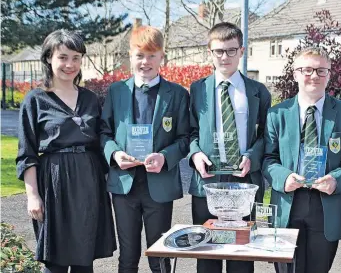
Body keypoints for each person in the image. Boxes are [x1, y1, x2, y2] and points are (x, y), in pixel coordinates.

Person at [15, 30, 116, 273]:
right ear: (49, 58)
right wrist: (33, 196)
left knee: (84, 259)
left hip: (88, 184)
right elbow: (26, 153)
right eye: (63, 57)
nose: (70, 64)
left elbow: (102, 140)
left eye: (76, 57)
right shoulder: (35, 100)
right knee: (55, 261)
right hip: (53, 185)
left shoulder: (91, 98)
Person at [100, 25, 190, 273]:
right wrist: (115, 154)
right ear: (130, 56)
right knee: (127, 257)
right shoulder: (116, 91)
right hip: (125, 185)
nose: (145, 62)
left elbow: (184, 138)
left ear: (162, 56)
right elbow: (103, 133)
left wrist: (165, 156)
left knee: (159, 255)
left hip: (159, 185)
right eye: (140, 55)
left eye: (152, 55)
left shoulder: (178, 94)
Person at [262, 47, 341, 273]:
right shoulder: (277, 114)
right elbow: (268, 158)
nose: (314, 75)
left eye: (320, 70)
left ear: (329, 73)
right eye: (306, 70)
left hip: (325, 208)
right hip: (288, 204)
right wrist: (284, 177)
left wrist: (336, 180)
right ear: (295, 74)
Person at [188, 22, 271, 273]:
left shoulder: (257, 91)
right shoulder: (197, 90)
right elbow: (189, 132)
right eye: (218, 51)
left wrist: (251, 157)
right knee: (208, 252)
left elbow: (267, 135)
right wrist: (195, 154)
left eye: (231, 50)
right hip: (208, 179)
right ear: (210, 52)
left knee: (241, 253)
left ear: (242, 51)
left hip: (243, 180)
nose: (225, 57)